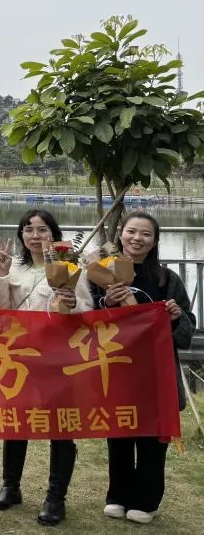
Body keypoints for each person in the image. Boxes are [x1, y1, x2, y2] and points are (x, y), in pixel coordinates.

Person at [89, 211, 195, 526]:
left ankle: (146, 501)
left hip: (156, 371)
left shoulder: (167, 279)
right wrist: (107, 303)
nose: (137, 239)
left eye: (145, 234)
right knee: (119, 432)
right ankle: (118, 495)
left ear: (155, 242)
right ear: (121, 235)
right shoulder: (101, 273)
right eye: (131, 232)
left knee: (152, 436)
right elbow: (87, 323)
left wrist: (175, 317)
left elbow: (188, 328)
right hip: (117, 368)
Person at [0, 209, 93, 525]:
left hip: (59, 359)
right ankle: (11, 486)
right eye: (29, 229)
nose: (35, 236)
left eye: (42, 229)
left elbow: (88, 310)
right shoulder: (15, 266)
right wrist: (4, 274)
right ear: (21, 235)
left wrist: (72, 305)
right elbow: (3, 313)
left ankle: (55, 497)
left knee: (61, 426)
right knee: (16, 421)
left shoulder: (72, 267)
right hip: (21, 356)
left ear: (54, 233)